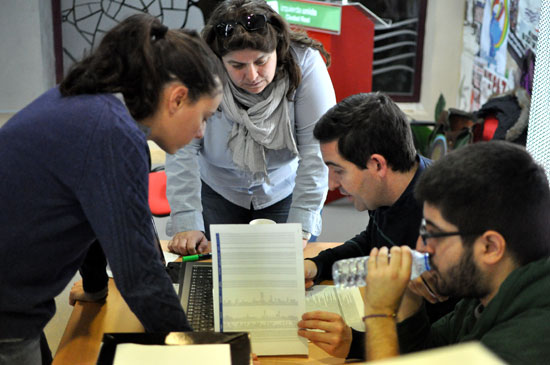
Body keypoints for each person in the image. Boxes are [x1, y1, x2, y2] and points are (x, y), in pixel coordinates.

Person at [0, 14, 223, 364]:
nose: (201, 133)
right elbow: (140, 276)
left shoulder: (93, 106)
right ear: (177, 99)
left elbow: (93, 214)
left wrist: (94, 288)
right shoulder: (112, 134)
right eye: (205, 116)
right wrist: (199, 354)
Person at [165, 0, 336, 255]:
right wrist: (188, 219)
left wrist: (301, 227)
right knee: (217, 273)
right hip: (216, 188)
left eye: (261, 61)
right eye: (237, 65)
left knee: (281, 274)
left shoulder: (305, 63)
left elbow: (317, 151)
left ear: (277, 49)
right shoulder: (198, 69)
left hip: (283, 190)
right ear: (218, 59)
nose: (253, 76)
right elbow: (181, 147)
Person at [297, 92, 454, 359]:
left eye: (339, 170)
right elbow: (372, 240)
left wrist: (355, 343)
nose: (332, 184)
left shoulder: (442, 222)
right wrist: (319, 264)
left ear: (377, 165)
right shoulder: (388, 193)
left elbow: (435, 343)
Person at [363, 141, 550, 363]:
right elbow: (432, 356)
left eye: (433, 234)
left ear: (490, 247)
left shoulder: (529, 338)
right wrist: (408, 297)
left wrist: (379, 313)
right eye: (423, 230)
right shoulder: (485, 293)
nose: (420, 247)